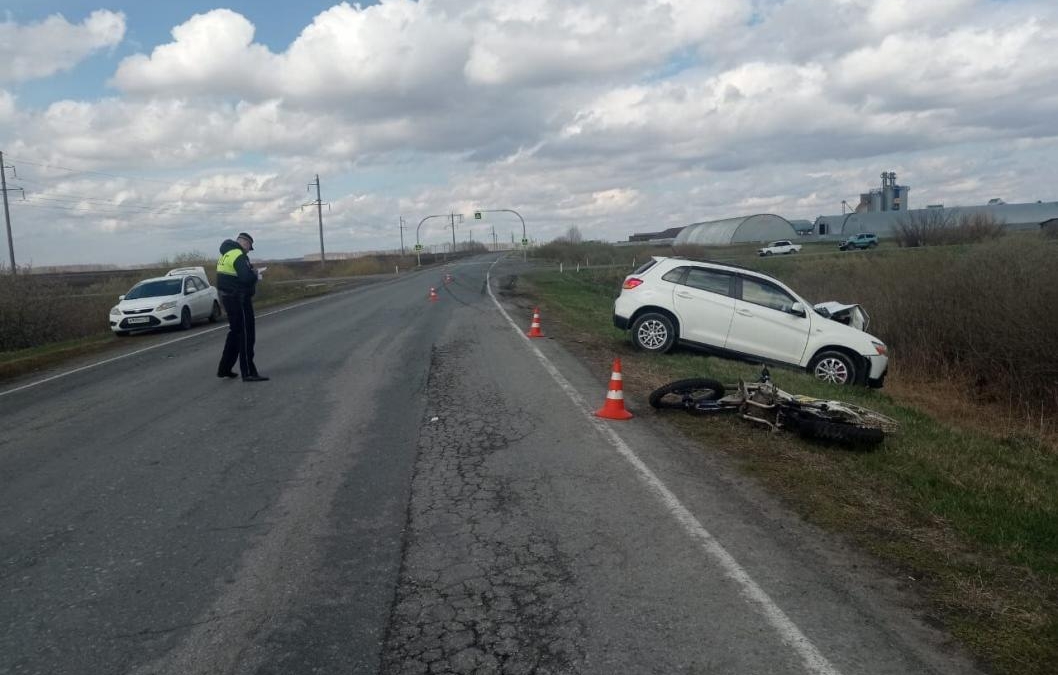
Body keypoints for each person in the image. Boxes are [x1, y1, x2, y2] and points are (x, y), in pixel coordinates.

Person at [216, 232, 268, 382]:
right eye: (249, 247)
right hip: (239, 299)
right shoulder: (239, 255)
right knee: (246, 335)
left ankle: (224, 368)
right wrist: (255, 273)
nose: (248, 251)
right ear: (245, 243)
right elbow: (246, 278)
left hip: (227, 298)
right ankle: (248, 372)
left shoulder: (225, 254)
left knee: (235, 333)